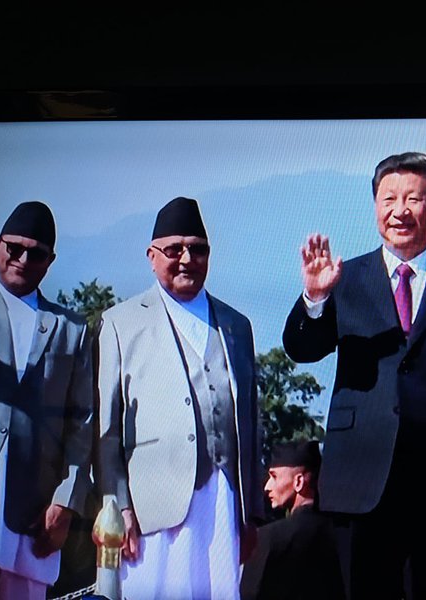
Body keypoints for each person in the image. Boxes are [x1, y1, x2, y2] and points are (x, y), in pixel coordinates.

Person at [282, 152, 426, 599]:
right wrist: (314, 298)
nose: (400, 211)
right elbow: (301, 349)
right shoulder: (343, 279)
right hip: (358, 484)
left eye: (413, 198)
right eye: (388, 198)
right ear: (374, 206)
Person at [96, 196, 263, 599]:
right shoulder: (122, 322)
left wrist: (253, 513)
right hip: (153, 505)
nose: (187, 258)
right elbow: (105, 428)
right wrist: (119, 507)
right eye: (174, 250)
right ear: (152, 256)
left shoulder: (237, 325)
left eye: (198, 249)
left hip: (224, 500)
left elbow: (253, 423)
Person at [0, 196, 93, 599]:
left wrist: (66, 502)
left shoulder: (71, 328)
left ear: (50, 261)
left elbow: (83, 420)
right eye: (14, 248)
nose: (23, 259)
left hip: (34, 506)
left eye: (36, 253)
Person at [240, 440, 345, 600]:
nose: (267, 486)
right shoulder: (343, 537)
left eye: (274, 476)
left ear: (299, 482)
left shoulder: (269, 538)